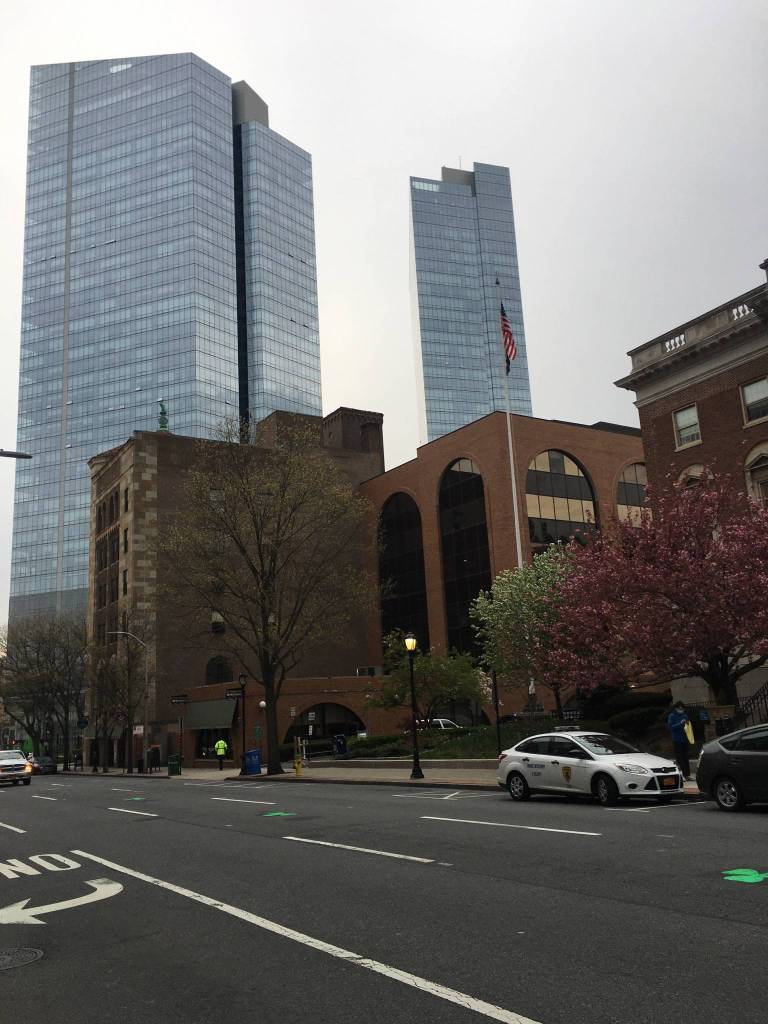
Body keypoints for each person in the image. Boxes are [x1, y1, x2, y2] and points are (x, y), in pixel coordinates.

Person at [667, 702, 691, 779]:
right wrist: (680, 724)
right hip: (677, 740)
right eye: (679, 708)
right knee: (679, 758)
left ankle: (687, 775)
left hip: (685, 739)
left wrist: (687, 724)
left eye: (682, 708)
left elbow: (688, 726)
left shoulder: (685, 715)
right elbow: (671, 727)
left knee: (686, 757)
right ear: (676, 708)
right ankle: (683, 774)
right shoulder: (672, 716)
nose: (681, 710)